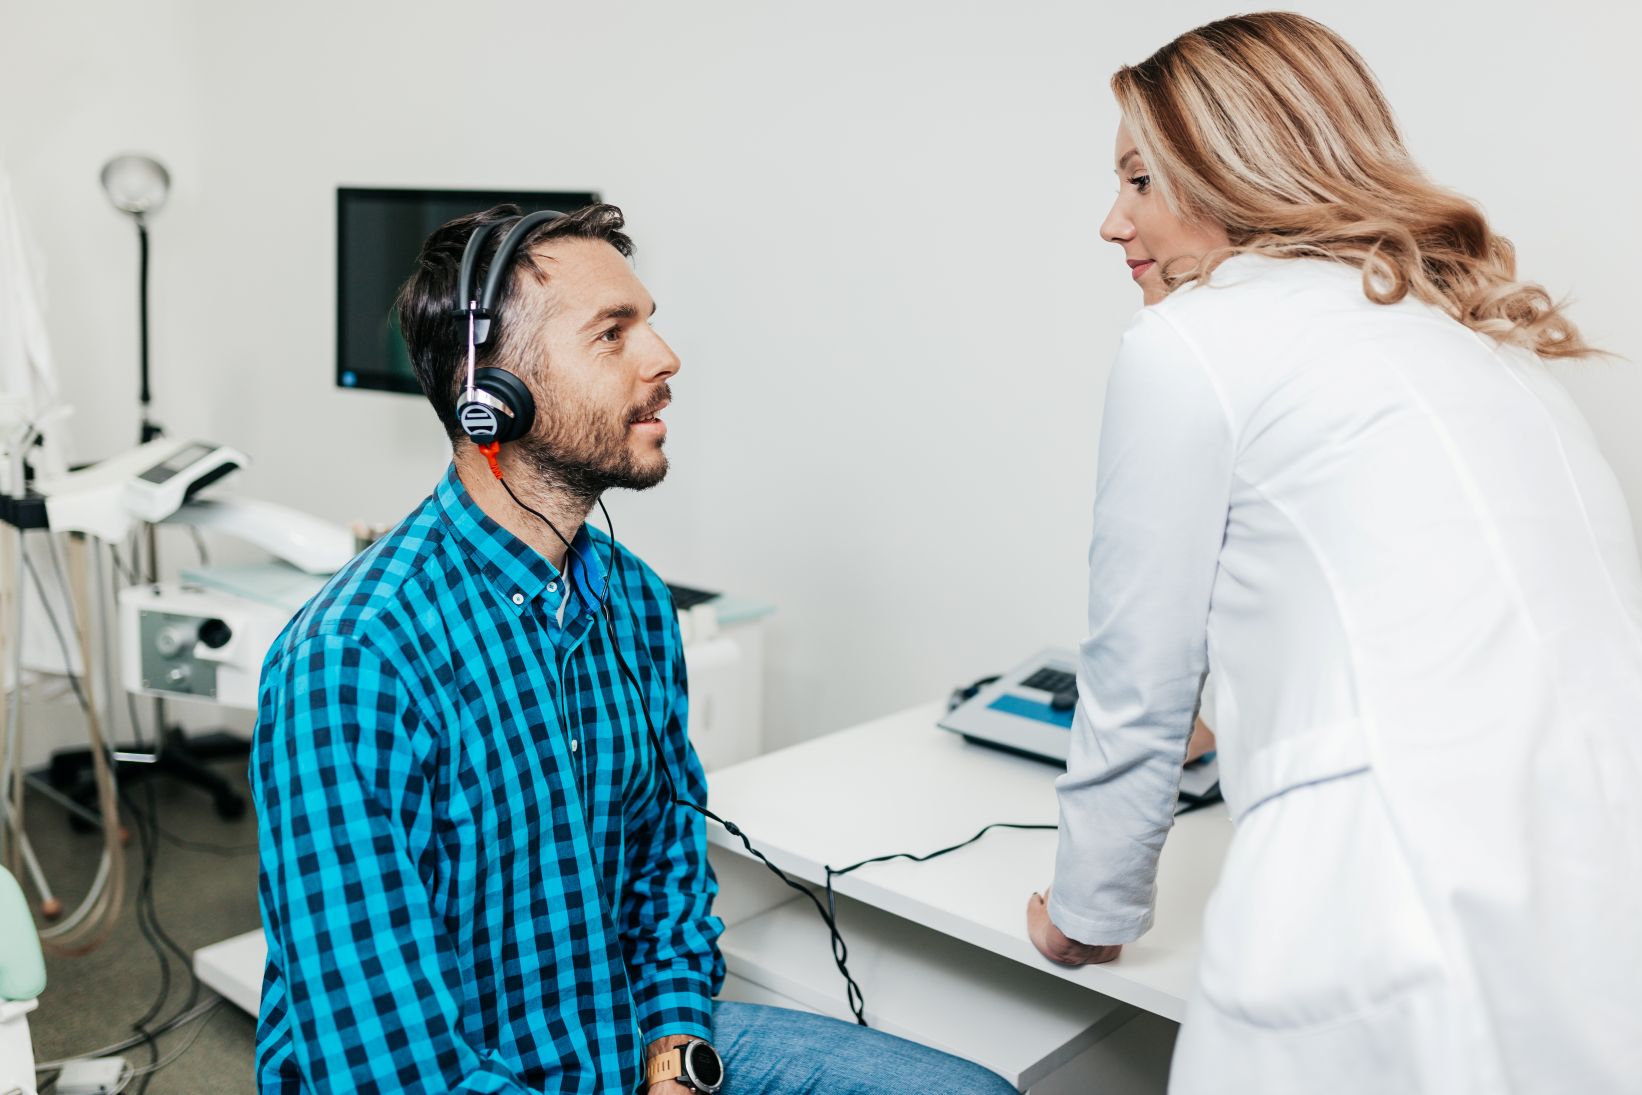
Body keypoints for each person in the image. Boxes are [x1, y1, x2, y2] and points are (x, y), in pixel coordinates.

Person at [252, 203, 1015, 1094]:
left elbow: (667, 873)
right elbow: (387, 1068)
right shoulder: (354, 661)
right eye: (614, 334)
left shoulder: (635, 601)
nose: (664, 357)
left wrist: (674, 1057)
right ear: (490, 391)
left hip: (615, 1041)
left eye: (647, 322)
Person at [1025, 12, 1642, 1093]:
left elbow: (1136, 679)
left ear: (1233, 173)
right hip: (1597, 896)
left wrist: (1086, 914)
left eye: (1139, 178)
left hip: (1389, 895)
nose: (1110, 221)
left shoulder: (1193, 345)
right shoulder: (1482, 356)